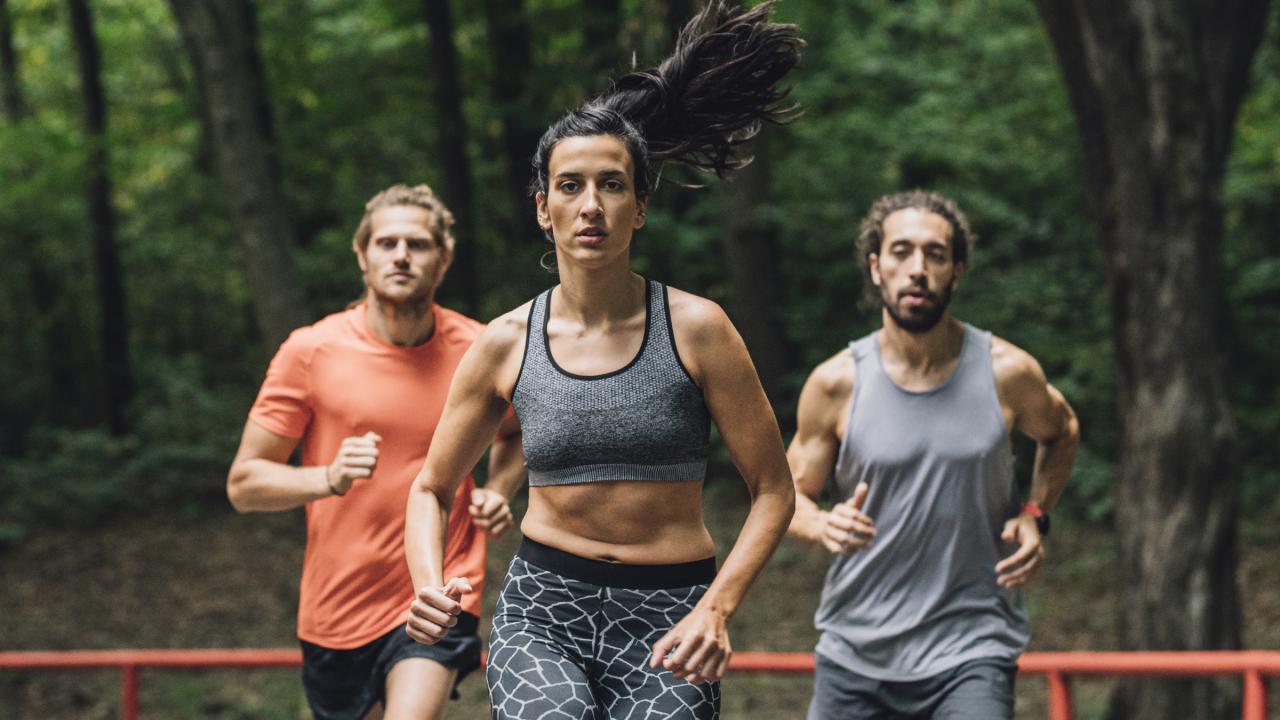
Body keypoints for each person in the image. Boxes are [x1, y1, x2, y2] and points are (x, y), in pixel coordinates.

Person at [401, 2, 802, 718]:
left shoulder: (699, 330)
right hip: (543, 615)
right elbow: (431, 488)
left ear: (640, 207)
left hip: (673, 615)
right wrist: (427, 580)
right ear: (542, 209)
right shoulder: (506, 342)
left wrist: (718, 609)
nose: (592, 205)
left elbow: (774, 490)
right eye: (570, 186)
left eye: (612, 185)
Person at [226, 184, 525, 720]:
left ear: (444, 259)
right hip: (336, 606)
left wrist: (499, 490)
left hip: (437, 587)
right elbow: (245, 484)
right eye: (387, 243)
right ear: (362, 255)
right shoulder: (311, 351)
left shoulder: (481, 349)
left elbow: (516, 432)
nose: (402, 255)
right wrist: (328, 478)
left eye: (418, 243)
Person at [786, 190, 1081, 720]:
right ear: (876, 268)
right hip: (856, 652)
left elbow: (1062, 431)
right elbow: (788, 498)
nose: (917, 269)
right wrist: (822, 526)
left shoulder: (1007, 373)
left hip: (972, 648)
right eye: (901, 252)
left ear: (957, 270)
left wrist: (1035, 513)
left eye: (935, 254)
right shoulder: (836, 383)